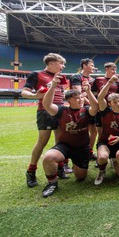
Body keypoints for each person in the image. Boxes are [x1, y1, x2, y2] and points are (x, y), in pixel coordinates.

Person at [41, 77, 98, 197]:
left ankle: (73, 166)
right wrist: (52, 86)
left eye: (81, 98)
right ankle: (52, 183)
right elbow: (46, 104)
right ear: (68, 100)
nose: (80, 100)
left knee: (81, 177)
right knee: (48, 157)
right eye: (77, 98)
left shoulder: (87, 110)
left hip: (82, 148)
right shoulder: (62, 111)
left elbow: (96, 107)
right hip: (64, 146)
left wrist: (88, 91)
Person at [21, 53, 67, 188]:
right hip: (45, 111)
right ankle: (31, 171)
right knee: (42, 141)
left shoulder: (59, 77)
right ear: (52, 63)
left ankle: (59, 168)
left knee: (60, 141)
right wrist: (35, 95)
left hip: (60, 110)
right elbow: (24, 92)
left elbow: (60, 94)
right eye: (61, 63)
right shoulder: (37, 74)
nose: (63, 66)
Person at [94, 75, 119, 186]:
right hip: (105, 142)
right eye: (115, 102)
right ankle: (101, 172)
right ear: (109, 103)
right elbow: (100, 98)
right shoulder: (105, 111)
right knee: (102, 157)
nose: (118, 104)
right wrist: (110, 82)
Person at [69, 58, 98, 163]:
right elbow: (78, 94)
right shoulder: (76, 77)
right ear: (84, 66)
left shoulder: (92, 79)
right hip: (79, 108)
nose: (93, 67)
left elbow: (91, 93)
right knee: (79, 131)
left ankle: (89, 152)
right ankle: (75, 154)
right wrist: (92, 103)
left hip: (90, 108)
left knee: (93, 131)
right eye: (91, 65)